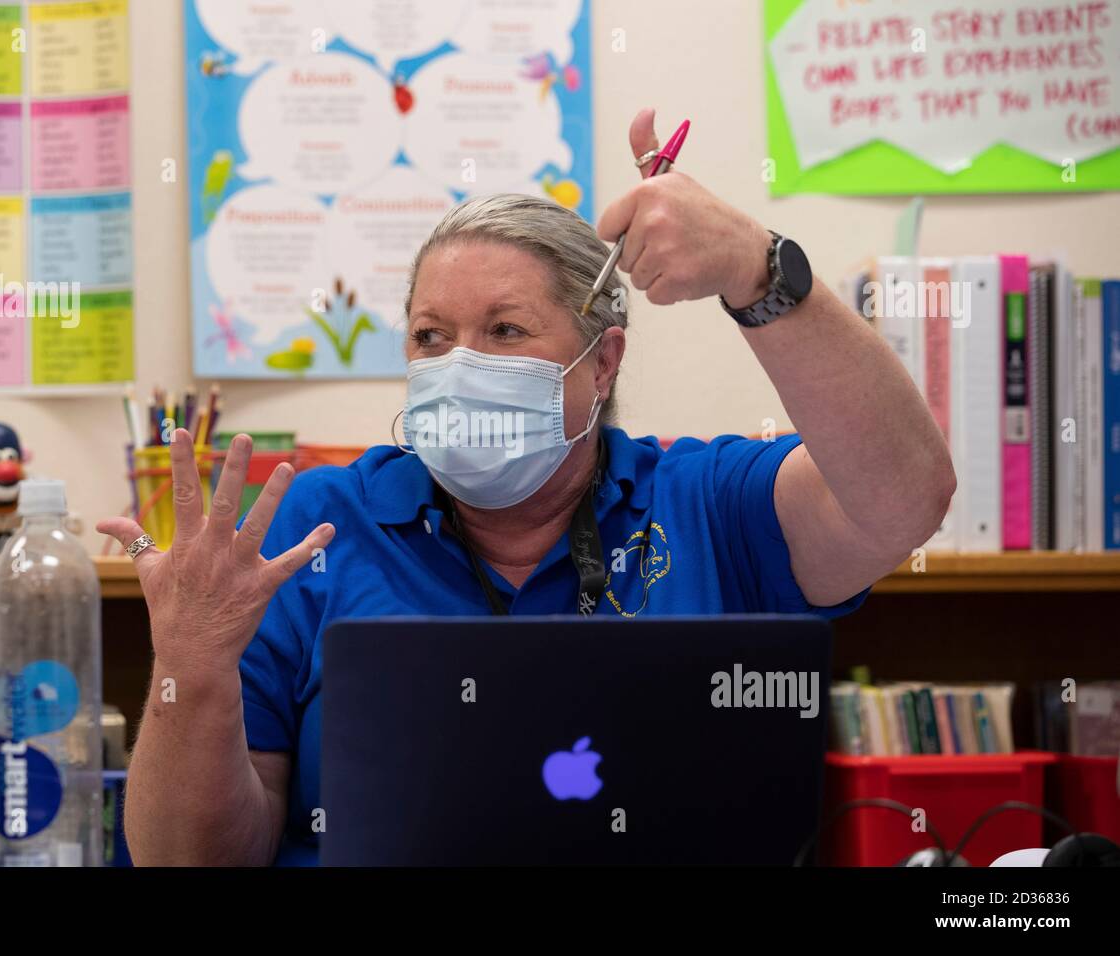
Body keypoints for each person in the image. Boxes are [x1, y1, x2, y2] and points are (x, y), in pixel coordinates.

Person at [98, 109, 955, 865]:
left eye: (505, 330)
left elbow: (905, 497)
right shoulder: (313, 531)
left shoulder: (705, 503)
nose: (458, 365)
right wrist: (190, 667)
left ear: (603, 361)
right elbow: (188, 861)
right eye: (431, 337)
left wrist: (756, 270)